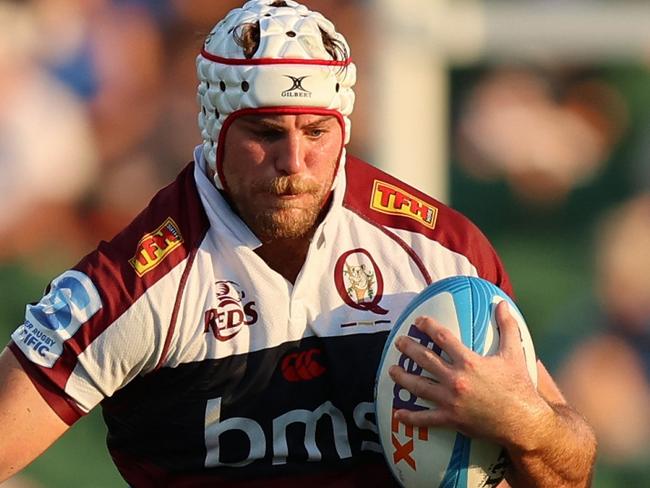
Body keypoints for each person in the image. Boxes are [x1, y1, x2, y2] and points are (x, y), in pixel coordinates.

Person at [0, 1, 596, 486]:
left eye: (316, 132)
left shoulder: (438, 253)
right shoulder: (132, 283)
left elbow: (571, 474)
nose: (295, 162)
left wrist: (531, 426)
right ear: (213, 130)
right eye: (264, 134)